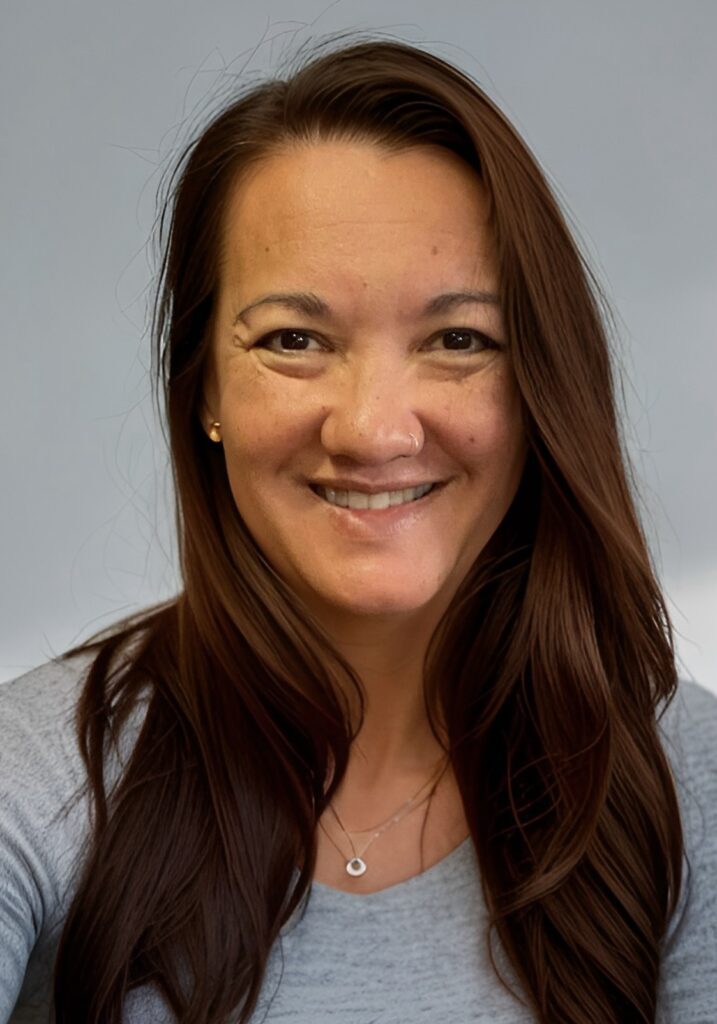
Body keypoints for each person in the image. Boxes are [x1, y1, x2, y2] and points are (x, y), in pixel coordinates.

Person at [1, 37, 715, 1024]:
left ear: (539, 383)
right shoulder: (36, 777)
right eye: (295, 340)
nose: (375, 427)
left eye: (458, 339)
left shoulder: (686, 783)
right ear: (203, 384)